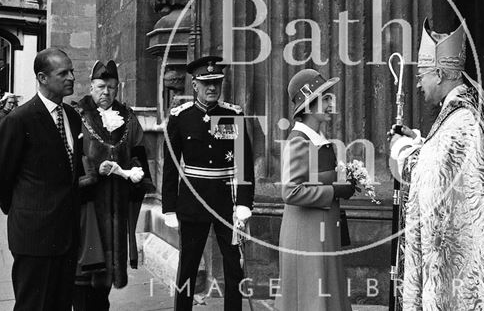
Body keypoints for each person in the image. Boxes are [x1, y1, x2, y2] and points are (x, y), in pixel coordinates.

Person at [389, 20, 484, 310]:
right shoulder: (463, 112)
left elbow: (431, 180)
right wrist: (420, 141)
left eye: (422, 75)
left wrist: (400, 150)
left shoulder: (460, 121)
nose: (418, 84)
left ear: (439, 74)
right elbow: (444, 160)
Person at [162, 55, 255, 311]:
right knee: (189, 267)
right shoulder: (181, 117)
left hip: (228, 202)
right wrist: (169, 207)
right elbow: (171, 166)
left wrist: (245, 203)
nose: (212, 87)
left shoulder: (232, 115)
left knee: (234, 267)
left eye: (216, 81)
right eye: (206, 83)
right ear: (195, 85)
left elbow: (244, 162)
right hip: (193, 202)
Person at [0, 48, 83, 311]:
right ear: (42, 78)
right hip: (34, 237)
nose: (71, 77)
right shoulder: (19, 119)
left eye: (72, 71)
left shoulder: (71, 116)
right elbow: (3, 175)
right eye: (63, 73)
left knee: (60, 305)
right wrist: (26, 213)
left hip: (67, 235)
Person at [71, 60, 155, 310]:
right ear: (90, 86)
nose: (106, 92)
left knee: (104, 282)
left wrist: (135, 171)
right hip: (86, 207)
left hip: (116, 206)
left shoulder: (128, 118)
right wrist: (93, 171)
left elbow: (140, 152)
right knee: (81, 278)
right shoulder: (76, 115)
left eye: (111, 87)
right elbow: (67, 160)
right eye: (100, 86)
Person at [275, 69, 355, 311]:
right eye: (326, 98)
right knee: (310, 299)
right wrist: (335, 190)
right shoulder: (300, 140)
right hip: (306, 234)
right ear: (309, 106)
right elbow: (290, 191)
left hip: (321, 231)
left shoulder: (318, 138)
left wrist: (346, 182)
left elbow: (317, 179)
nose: (332, 103)